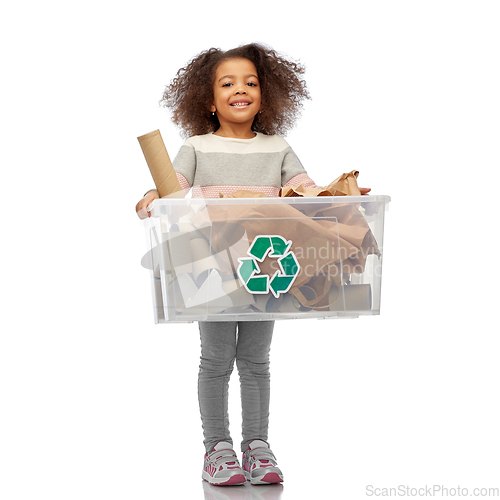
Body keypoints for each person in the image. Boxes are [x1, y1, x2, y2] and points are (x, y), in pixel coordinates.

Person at [136, 43, 369, 486]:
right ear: (208, 100)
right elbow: (173, 190)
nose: (240, 89)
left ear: (266, 95)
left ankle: (257, 446)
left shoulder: (278, 147)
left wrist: (341, 192)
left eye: (251, 82)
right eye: (227, 83)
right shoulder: (196, 147)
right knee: (217, 359)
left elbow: (304, 188)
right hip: (214, 269)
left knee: (257, 361)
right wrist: (151, 196)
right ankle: (217, 449)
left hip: (267, 269)